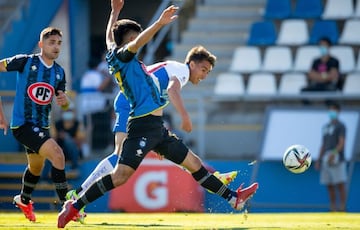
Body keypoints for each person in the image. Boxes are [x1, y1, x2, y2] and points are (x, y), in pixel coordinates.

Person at [58, 1, 258, 227]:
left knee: (193, 163)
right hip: (142, 124)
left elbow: (109, 38)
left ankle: (233, 198)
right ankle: (74, 205)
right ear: (128, 39)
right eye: (134, 37)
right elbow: (137, 42)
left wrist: (114, 12)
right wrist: (159, 23)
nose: (138, 40)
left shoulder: (116, 53)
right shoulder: (125, 56)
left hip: (157, 129)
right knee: (120, 175)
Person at [0, 27, 71, 222]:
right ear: (41, 45)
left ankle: (24, 199)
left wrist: (65, 103)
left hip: (42, 126)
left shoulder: (59, 73)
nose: (56, 47)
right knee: (58, 155)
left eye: (59, 43)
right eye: (51, 43)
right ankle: (69, 206)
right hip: (23, 125)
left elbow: (63, 104)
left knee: (36, 167)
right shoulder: (25, 61)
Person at [315, 102, 347, 212]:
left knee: (340, 184)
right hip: (326, 159)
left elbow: (341, 143)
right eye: (330, 110)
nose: (331, 112)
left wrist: (333, 153)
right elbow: (323, 144)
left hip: (337, 159)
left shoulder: (341, 126)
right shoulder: (326, 127)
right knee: (329, 184)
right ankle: (333, 207)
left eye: (334, 110)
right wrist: (319, 159)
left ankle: (342, 207)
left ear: (338, 112)